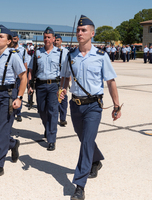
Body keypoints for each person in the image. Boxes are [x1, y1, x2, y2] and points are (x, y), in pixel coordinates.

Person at [60, 15, 121, 200]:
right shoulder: (70, 56)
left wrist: (117, 105)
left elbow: (110, 82)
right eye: (78, 30)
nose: (80, 33)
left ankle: (79, 184)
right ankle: (96, 160)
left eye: (83, 30)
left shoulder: (101, 56)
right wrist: (62, 89)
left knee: (86, 142)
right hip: (75, 105)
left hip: (94, 106)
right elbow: (65, 77)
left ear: (92, 33)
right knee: (84, 139)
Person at [0, 25, 27, 179]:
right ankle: (13, 144)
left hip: (8, 95)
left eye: (1, 36)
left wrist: (19, 98)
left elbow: (23, 77)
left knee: (2, 130)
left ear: (8, 41)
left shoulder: (13, 56)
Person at [28, 27, 67, 151]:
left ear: (54, 39)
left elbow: (65, 73)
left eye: (49, 37)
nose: (47, 39)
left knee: (53, 111)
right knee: (42, 110)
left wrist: (62, 87)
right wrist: (30, 85)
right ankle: (48, 128)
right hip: (40, 85)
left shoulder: (60, 53)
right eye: (45, 37)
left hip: (54, 86)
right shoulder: (37, 53)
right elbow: (31, 70)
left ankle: (51, 139)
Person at [12, 31, 30, 122]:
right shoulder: (8, 49)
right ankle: (12, 111)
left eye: (15, 39)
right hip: (11, 76)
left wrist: (24, 77)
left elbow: (25, 63)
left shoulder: (23, 50)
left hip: (20, 76)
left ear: (18, 39)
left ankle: (18, 113)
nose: (13, 41)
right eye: (12, 39)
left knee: (19, 94)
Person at [54, 34, 69, 127]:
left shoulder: (66, 52)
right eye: (55, 40)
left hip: (62, 78)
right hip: (53, 79)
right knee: (54, 99)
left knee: (63, 98)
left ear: (61, 41)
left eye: (58, 40)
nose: (56, 42)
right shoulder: (50, 51)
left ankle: (63, 118)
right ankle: (54, 117)